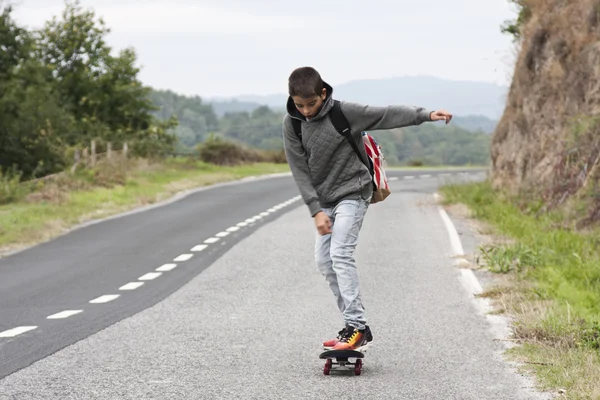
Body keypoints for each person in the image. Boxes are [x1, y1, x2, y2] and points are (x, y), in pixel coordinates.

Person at [282, 66, 452, 351]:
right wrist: (316, 211)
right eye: (300, 105)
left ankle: (357, 328)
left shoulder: (344, 112)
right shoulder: (293, 124)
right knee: (324, 262)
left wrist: (425, 115)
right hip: (324, 201)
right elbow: (299, 170)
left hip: (353, 192)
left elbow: (385, 114)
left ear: (323, 93)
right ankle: (353, 324)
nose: (307, 111)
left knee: (340, 253)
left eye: (311, 104)